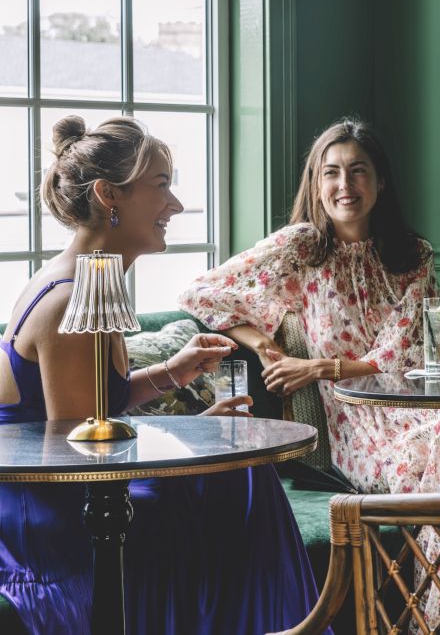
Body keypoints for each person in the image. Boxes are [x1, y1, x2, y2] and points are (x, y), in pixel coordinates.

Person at [0, 116, 323, 635]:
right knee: (237, 481)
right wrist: (195, 440)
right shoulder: (67, 300)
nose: (174, 205)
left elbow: (97, 406)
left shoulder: (90, 279)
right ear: (110, 195)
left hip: (77, 491)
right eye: (161, 186)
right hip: (52, 519)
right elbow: (82, 454)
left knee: (237, 474)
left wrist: (171, 373)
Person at [179, 117, 440, 622]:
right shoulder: (301, 248)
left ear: (380, 181)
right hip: (354, 425)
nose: (345, 186)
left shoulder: (414, 255)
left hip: (411, 405)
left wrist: (317, 366)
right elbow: (202, 291)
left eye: (358, 171)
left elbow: (400, 354)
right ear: (316, 183)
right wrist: (261, 343)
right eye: (332, 172)